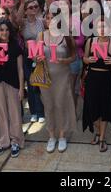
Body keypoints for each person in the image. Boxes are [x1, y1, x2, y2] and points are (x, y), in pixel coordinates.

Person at [36, 12, 77, 153]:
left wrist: (64, 61)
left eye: (53, 17)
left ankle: (62, 135)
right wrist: (38, 58)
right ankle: (51, 135)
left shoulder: (66, 36)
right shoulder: (41, 36)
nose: (50, 20)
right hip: (46, 77)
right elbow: (35, 56)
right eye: (47, 18)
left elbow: (74, 56)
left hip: (62, 76)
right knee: (48, 105)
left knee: (61, 104)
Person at [82, 19, 111, 152]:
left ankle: (101, 138)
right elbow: (84, 58)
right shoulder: (90, 41)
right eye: (99, 26)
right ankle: (99, 132)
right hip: (92, 78)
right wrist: (87, 60)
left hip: (107, 79)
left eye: (104, 26)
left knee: (105, 109)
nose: (102, 29)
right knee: (92, 107)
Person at [0, 19, 25, 158]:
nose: (4, 32)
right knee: (1, 114)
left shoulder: (15, 46)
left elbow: (20, 69)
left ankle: (16, 141)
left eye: (7, 29)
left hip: (13, 83)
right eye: (1, 30)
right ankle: (3, 141)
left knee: (15, 113)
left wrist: (21, 88)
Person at [19, 0, 45, 123]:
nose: (34, 9)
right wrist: (21, 3)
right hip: (28, 57)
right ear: (25, 10)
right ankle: (34, 111)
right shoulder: (22, 23)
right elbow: (15, 19)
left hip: (40, 56)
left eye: (36, 6)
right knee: (30, 84)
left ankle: (41, 112)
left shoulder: (42, 21)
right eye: (31, 7)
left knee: (40, 84)